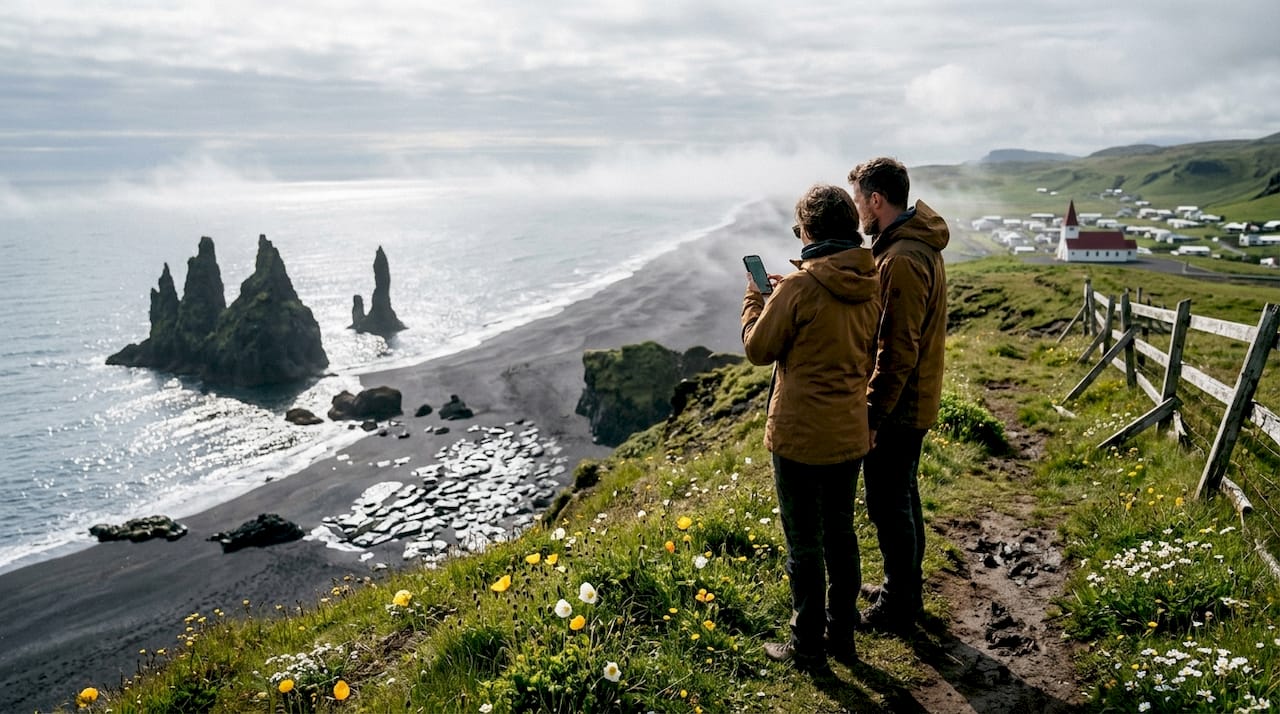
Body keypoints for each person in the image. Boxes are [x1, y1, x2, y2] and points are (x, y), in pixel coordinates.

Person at [741, 184, 880, 671]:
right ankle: (842, 636)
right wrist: (787, 294)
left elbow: (758, 349)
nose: (798, 236)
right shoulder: (870, 280)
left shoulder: (799, 287)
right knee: (842, 536)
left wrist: (757, 300)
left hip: (799, 435)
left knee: (804, 544)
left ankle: (807, 648)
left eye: (799, 229)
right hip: (848, 431)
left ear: (811, 231)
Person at [846, 157, 949, 635]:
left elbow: (897, 350)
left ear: (876, 200)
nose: (856, 212)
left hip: (901, 405)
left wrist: (872, 412)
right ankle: (902, 588)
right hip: (913, 399)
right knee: (901, 499)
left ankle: (898, 606)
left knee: (889, 505)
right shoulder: (906, 245)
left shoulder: (903, 258)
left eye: (858, 200)